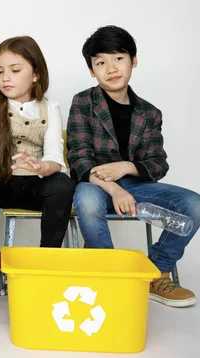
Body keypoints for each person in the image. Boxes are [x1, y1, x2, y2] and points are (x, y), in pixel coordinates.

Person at [67, 25, 199, 307]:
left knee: (195, 204)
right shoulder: (83, 102)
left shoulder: (149, 112)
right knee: (88, 203)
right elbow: (78, 159)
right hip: (94, 185)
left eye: (118, 58)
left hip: (136, 186)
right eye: (100, 62)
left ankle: (155, 273)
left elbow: (157, 163)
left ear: (133, 60)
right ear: (92, 70)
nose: (110, 68)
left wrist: (126, 167)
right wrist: (114, 189)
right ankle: (109, 275)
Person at [0, 36, 74, 305]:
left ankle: (45, 263)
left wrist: (41, 167)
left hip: (34, 184)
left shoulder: (50, 106)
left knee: (62, 185)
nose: (5, 78)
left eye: (15, 70)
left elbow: (56, 158)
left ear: (35, 74)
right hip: (1, 182)